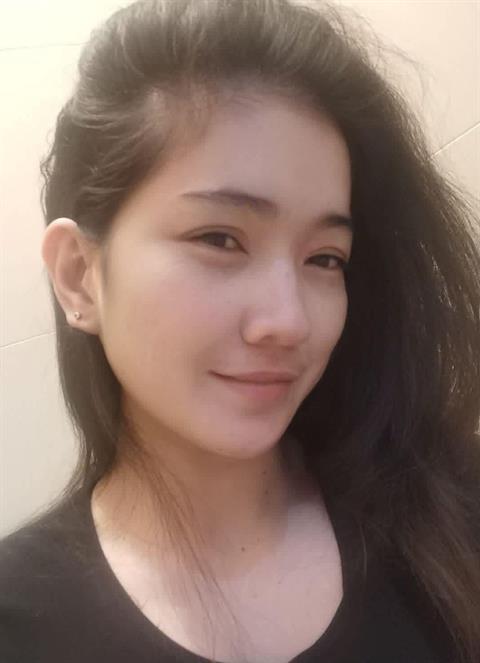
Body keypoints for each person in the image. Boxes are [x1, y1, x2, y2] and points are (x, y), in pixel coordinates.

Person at [1, 0, 479, 661]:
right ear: (79, 275)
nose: (289, 321)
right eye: (219, 239)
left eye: (325, 259)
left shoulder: (451, 516)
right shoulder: (19, 620)